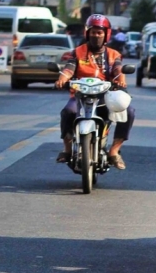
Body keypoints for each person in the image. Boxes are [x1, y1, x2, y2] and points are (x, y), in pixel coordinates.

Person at [54, 14, 136, 170]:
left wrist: (120, 80)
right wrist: (62, 79)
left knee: (129, 112)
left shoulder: (113, 54)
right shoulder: (77, 52)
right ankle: (67, 149)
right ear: (87, 33)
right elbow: (69, 68)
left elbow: (118, 69)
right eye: (93, 32)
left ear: (106, 34)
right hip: (80, 96)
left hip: (106, 96)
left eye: (99, 32)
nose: (96, 35)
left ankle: (114, 151)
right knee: (67, 112)